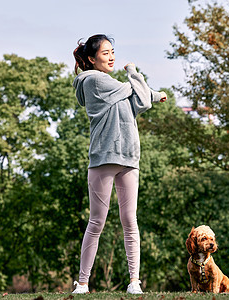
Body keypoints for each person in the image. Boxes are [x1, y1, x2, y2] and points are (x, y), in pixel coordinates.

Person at [71, 34, 167, 294]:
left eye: (112, 51)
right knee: (96, 223)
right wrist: (133, 71)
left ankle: (134, 281)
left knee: (129, 220)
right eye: (105, 53)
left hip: (128, 157)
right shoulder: (92, 80)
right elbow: (134, 90)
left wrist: (153, 96)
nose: (111, 56)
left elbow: (141, 100)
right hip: (103, 158)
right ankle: (82, 283)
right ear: (91, 59)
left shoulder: (113, 86)